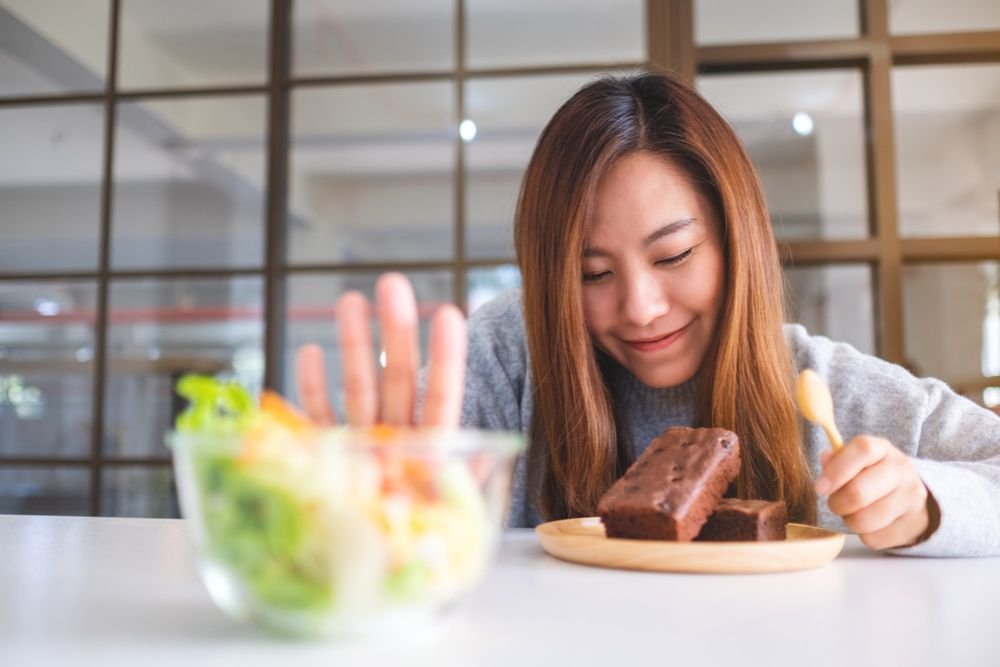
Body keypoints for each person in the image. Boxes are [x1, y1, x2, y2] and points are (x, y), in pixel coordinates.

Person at [295, 70, 1000, 557]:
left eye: (673, 256)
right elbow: (358, 510)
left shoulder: (816, 385)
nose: (639, 306)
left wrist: (926, 504)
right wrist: (356, 495)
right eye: (591, 273)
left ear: (735, 241)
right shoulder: (512, 358)